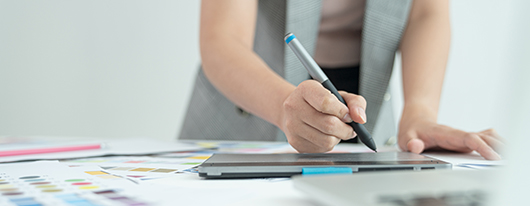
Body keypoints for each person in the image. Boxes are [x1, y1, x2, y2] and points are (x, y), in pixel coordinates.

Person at [180, 0, 503, 160]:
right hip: (252, 97)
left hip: (365, 98)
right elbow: (222, 39)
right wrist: (283, 106)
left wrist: (420, 110)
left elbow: (425, 12)